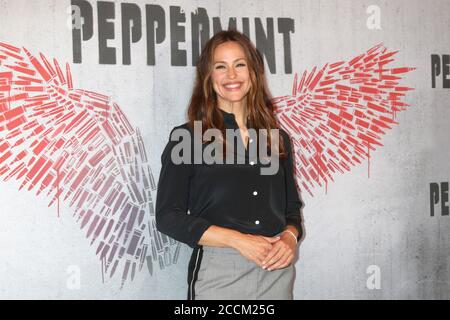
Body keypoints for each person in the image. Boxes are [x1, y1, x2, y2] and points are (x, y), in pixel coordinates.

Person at [155, 29, 304, 300]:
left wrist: (289, 238)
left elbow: (291, 210)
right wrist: (238, 240)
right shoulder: (188, 138)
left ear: (254, 72)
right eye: (220, 67)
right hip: (219, 274)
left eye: (240, 65)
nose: (232, 75)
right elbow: (168, 217)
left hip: (276, 273)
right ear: (208, 77)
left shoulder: (276, 139)